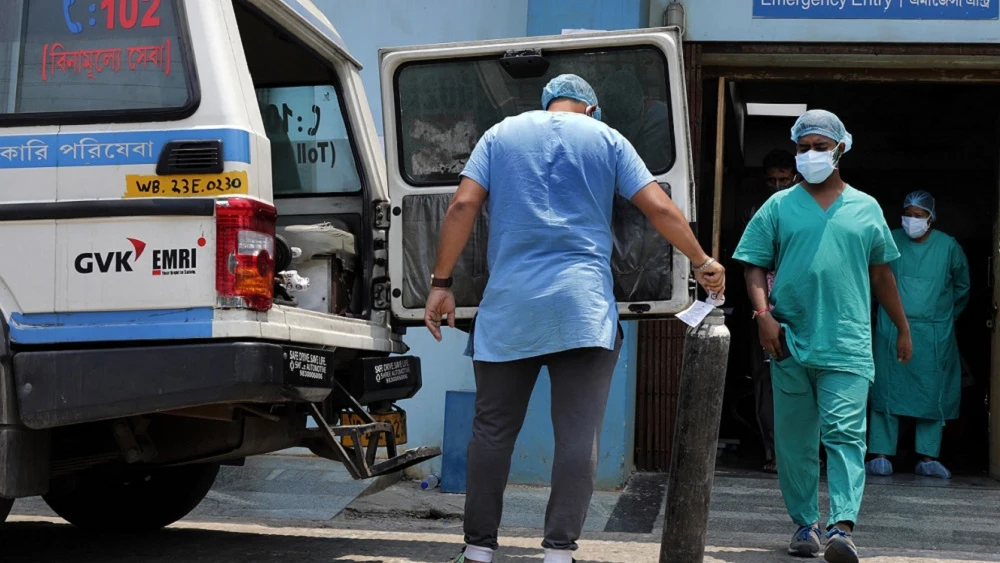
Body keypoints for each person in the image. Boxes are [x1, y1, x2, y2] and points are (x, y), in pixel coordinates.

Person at [423, 74, 725, 563]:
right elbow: (658, 208)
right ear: (591, 107)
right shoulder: (607, 139)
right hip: (583, 310)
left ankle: (478, 551)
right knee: (578, 436)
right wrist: (702, 260)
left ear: (547, 102)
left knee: (492, 433)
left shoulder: (500, 134)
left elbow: (461, 205)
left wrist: (440, 283)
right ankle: (558, 553)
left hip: (509, 310)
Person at [733, 109, 912, 563]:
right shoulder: (779, 206)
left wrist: (902, 327)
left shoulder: (865, 207)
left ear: (840, 149)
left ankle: (842, 529)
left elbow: (882, 274)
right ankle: (805, 526)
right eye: (804, 147)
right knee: (794, 442)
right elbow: (753, 262)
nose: (811, 155)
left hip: (847, 340)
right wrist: (762, 316)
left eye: (820, 147)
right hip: (788, 338)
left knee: (846, 435)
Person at [866, 191, 970, 480]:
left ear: (931, 218)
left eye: (918, 215)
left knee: (930, 392)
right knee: (887, 390)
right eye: (907, 213)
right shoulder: (890, 240)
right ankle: (881, 455)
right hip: (890, 327)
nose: (912, 220)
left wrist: (944, 318)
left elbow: (961, 288)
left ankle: (927, 457)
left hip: (934, 333)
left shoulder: (948, 247)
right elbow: (875, 280)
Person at [743, 149, 799, 474]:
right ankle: (774, 452)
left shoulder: (812, 210)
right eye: (773, 180)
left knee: (808, 379)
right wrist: (762, 311)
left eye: (784, 178)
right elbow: (752, 265)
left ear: (796, 177)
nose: (778, 185)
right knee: (768, 381)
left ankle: (804, 452)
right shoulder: (758, 213)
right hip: (768, 309)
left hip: (805, 308)